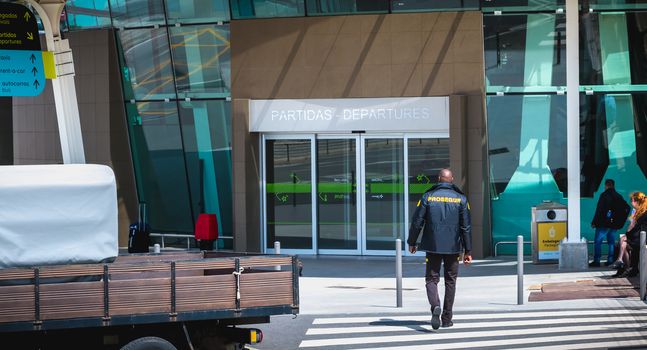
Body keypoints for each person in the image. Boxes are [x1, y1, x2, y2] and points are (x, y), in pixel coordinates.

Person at [407, 168, 471, 330]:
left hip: (433, 245)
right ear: (452, 179)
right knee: (450, 281)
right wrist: (468, 251)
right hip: (453, 247)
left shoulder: (428, 196)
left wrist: (412, 242)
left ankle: (435, 305)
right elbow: (466, 227)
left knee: (431, 279)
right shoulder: (461, 199)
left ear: (438, 179)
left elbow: (417, 222)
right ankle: (447, 318)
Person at [589, 179, 630, 267]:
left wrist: (594, 222)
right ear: (613, 185)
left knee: (598, 241)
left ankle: (597, 261)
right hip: (614, 224)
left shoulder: (604, 195)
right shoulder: (618, 196)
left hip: (603, 223)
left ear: (606, 185)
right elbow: (626, 208)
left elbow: (599, 210)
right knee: (611, 242)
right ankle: (610, 260)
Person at [614, 192, 647, 278]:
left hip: (642, 237)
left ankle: (626, 266)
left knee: (623, 242)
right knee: (621, 243)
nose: (631, 203)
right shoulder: (636, 211)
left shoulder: (644, 212)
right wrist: (627, 234)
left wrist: (627, 234)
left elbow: (637, 227)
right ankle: (628, 267)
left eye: (632, 201)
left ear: (638, 201)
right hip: (637, 236)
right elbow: (632, 225)